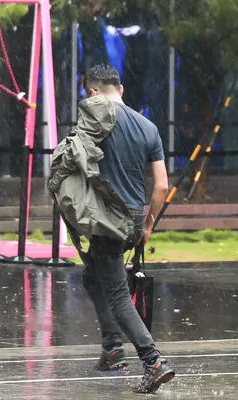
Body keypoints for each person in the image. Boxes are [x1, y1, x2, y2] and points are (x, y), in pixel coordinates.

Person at [76, 64, 173, 393]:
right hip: (134, 217)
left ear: (92, 93)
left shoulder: (94, 120)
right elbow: (161, 187)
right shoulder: (148, 126)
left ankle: (152, 361)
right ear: (121, 89)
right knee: (92, 276)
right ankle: (111, 347)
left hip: (107, 218)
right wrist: (147, 226)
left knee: (118, 294)